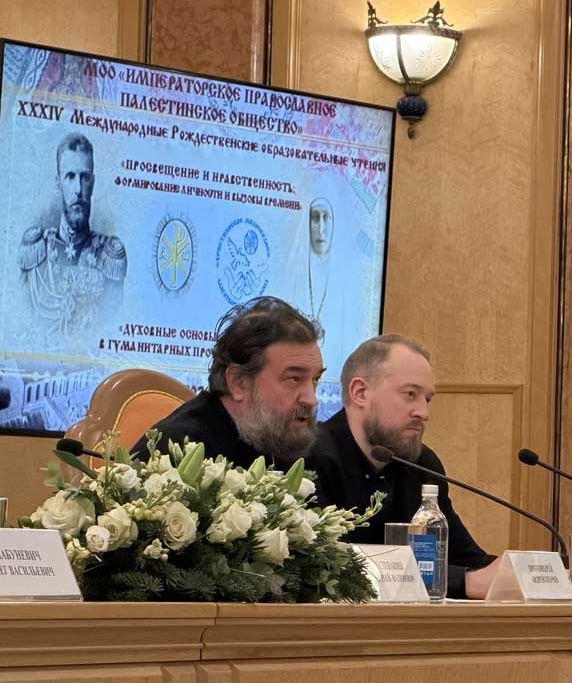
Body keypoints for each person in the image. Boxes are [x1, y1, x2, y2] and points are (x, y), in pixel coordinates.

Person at [305, 333, 501, 599]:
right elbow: (328, 568)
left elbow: (467, 558)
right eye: (410, 394)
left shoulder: (422, 464)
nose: (423, 412)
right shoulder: (308, 458)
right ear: (360, 393)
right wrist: (462, 582)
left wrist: (512, 573)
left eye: (427, 399)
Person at [131, 296, 325, 468]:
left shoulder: (289, 443)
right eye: (294, 379)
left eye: (315, 379)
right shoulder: (172, 457)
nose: (311, 399)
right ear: (239, 382)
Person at [18, 132, 127, 336]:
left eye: (84, 177)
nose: (78, 189)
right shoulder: (35, 252)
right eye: (70, 177)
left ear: (93, 182)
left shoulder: (109, 257)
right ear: (58, 183)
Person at [307, 197, 334, 322]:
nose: (321, 229)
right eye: (315, 218)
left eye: (326, 217)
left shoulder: (346, 280)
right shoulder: (294, 274)